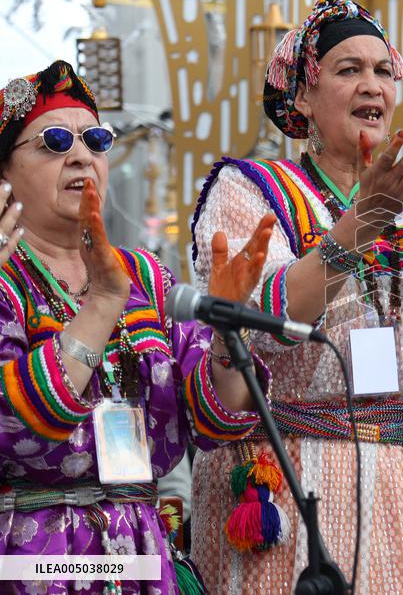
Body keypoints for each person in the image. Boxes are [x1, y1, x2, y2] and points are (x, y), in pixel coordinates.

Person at [189, 0, 403, 593]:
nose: (372, 85)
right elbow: (259, 320)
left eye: (383, 71)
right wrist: (364, 220)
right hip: (293, 474)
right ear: (303, 95)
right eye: (348, 69)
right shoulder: (253, 187)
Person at [0, 60, 275, 594]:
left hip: (141, 545)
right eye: (53, 141)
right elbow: (17, 423)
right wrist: (102, 302)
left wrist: (226, 334)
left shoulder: (146, 275)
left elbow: (214, 419)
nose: (81, 155)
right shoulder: (4, 275)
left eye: (95, 140)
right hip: (30, 556)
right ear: (4, 173)